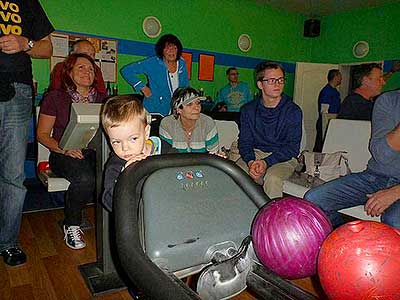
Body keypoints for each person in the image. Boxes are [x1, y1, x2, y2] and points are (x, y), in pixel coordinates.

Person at [0, 0, 54, 266]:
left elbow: (47, 48)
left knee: (13, 174)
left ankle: (8, 242)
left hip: (17, 89)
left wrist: (25, 44)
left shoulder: (27, 2)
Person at [37, 53, 106, 250]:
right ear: (69, 72)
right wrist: (64, 149)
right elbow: (42, 134)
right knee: (85, 179)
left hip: (94, 152)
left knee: (117, 173)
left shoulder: (103, 99)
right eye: (81, 67)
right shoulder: (55, 97)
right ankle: (72, 224)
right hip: (62, 153)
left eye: (91, 69)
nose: (87, 72)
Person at [304, 90, 400, 229]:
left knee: (394, 220)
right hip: (375, 177)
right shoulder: (389, 100)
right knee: (314, 200)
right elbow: (382, 156)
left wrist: (395, 192)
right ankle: (345, 241)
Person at [235, 61, 302, 199]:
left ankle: (271, 219)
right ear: (260, 84)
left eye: (280, 80)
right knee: (234, 172)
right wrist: (251, 162)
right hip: (256, 153)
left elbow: (292, 148)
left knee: (272, 178)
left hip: (284, 157)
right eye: (272, 80)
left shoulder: (293, 111)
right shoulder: (248, 110)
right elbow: (245, 142)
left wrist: (266, 162)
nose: (277, 84)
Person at [101, 95, 173, 212]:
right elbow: (110, 203)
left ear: (146, 132)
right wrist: (125, 176)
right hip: (137, 223)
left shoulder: (166, 151)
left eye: (133, 138)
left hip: (168, 215)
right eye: (116, 142)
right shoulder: (115, 166)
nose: (125, 148)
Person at [121, 34, 189, 116]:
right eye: (167, 48)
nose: (171, 51)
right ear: (162, 50)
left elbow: (185, 85)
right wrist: (143, 87)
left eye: (174, 48)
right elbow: (126, 71)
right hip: (154, 110)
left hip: (176, 111)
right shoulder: (153, 63)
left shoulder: (182, 63)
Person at [159, 87, 219, 153]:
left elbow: (214, 155)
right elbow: (166, 157)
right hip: (175, 163)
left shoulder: (208, 123)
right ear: (178, 109)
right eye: (190, 104)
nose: (196, 107)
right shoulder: (167, 124)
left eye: (198, 103)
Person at [313, 69, 342, 152]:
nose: (341, 79)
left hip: (331, 122)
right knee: (320, 146)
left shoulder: (334, 92)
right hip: (325, 122)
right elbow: (324, 111)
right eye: (340, 76)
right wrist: (326, 123)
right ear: (335, 77)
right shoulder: (327, 91)